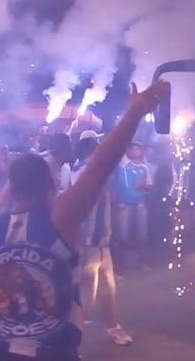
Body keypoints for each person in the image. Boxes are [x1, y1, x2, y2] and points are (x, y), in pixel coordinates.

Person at [0, 80, 169, 361]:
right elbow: (101, 166)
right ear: (51, 187)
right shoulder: (61, 219)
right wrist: (135, 112)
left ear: (11, 189)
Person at [71, 130, 133, 346]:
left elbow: (113, 199)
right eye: (98, 144)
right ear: (91, 147)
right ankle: (71, 343)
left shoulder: (100, 170)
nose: (101, 146)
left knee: (107, 288)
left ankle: (113, 328)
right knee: (86, 295)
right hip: (88, 243)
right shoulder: (84, 171)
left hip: (101, 242)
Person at [113, 141, 152, 267]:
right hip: (124, 204)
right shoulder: (123, 164)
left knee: (142, 235)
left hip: (140, 204)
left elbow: (150, 186)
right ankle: (121, 265)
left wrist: (144, 185)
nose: (135, 150)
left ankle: (142, 263)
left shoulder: (144, 168)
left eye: (137, 148)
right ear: (128, 151)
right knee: (123, 235)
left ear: (141, 151)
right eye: (132, 148)